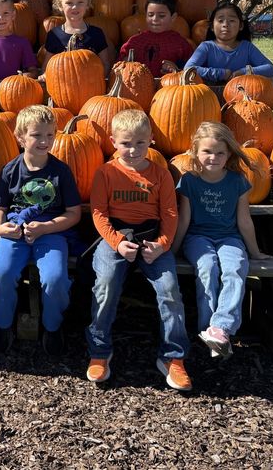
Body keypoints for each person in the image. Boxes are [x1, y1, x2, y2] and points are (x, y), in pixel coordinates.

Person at [85, 109, 191, 391]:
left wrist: (162, 245)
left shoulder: (160, 175)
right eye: (126, 143)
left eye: (140, 143)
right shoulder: (105, 173)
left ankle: (173, 357)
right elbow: (99, 214)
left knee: (169, 289)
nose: (133, 150)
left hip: (152, 236)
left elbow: (170, 213)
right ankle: (99, 350)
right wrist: (117, 241)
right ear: (113, 142)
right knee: (106, 283)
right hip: (115, 235)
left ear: (151, 141)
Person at [0, 105, 81, 356]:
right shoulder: (10, 170)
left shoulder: (61, 171)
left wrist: (46, 227)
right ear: (20, 137)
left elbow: (74, 213)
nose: (44, 141)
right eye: (37, 135)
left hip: (51, 232)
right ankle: (3, 324)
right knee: (1, 275)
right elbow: (0, 208)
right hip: (15, 232)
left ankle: (52, 326)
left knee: (55, 278)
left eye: (50, 135)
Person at [173, 121, 272, 359]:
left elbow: (244, 220)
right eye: (207, 151)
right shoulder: (189, 181)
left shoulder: (238, 182)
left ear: (229, 154)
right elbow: (184, 220)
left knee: (235, 267)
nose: (213, 157)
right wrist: (173, 249)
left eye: (220, 152)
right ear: (195, 151)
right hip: (197, 238)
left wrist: (255, 252)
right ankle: (208, 329)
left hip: (229, 237)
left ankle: (221, 329)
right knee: (206, 267)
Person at [40, 0, 112, 77]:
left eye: (80, 2)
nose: (75, 7)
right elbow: (46, 68)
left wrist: (96, 80)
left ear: (87, 3)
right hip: (62, 89)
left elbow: (106, 64)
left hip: (92, 89)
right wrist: (45, 75)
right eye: (69, 3)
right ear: (60, 5)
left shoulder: (96, 34)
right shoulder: (54, 35)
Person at [184, 2, 273, 82]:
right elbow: (188, 69)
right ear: (212, 26)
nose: (225, 25)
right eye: (220, 21)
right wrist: (221, 74)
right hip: (210, 99)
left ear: (240, 26)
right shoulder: (206, 47)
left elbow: (270, 69)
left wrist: (244, 72)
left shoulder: (247, 47)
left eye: (231, 21)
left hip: (242, 99)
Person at [119, 0, 194, 76]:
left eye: (161, 16)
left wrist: (176, 69)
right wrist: (125, 63)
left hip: (169, 87)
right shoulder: (135, 42)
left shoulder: (180, 44)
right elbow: (121, 66)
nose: (155, 19)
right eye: (150, 15)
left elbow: (191, 70)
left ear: (173, 17)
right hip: (137, 86)